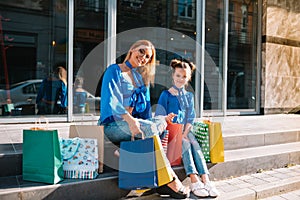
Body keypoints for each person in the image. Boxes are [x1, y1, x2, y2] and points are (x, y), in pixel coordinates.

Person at [99, 40, 190, 199]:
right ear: (132, 49)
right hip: (113, 126)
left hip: (134, 127)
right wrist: (130, 119)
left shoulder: (140, 78)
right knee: (151, 128)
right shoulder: (114, 71)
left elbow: (145, 110)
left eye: (147, 57)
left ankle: (159, 180)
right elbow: (110, 101)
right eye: (141, 52)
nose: (143, 57)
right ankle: (170, 180)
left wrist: (157, 121)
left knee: (160, 123)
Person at [155, 59, 220, 198]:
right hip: (170, 132)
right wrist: (168, 118)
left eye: (184, 76)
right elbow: (159, 117)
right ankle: (193, 178)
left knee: (194, 142)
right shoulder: (165, 94)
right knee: (185, 143)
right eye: (178, 75)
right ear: (173, 76)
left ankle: (205, 179)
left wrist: (185, 133)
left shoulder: (189, 96)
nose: (180, 79)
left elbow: (191, 117)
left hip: (184, 131)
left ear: (188, 78)